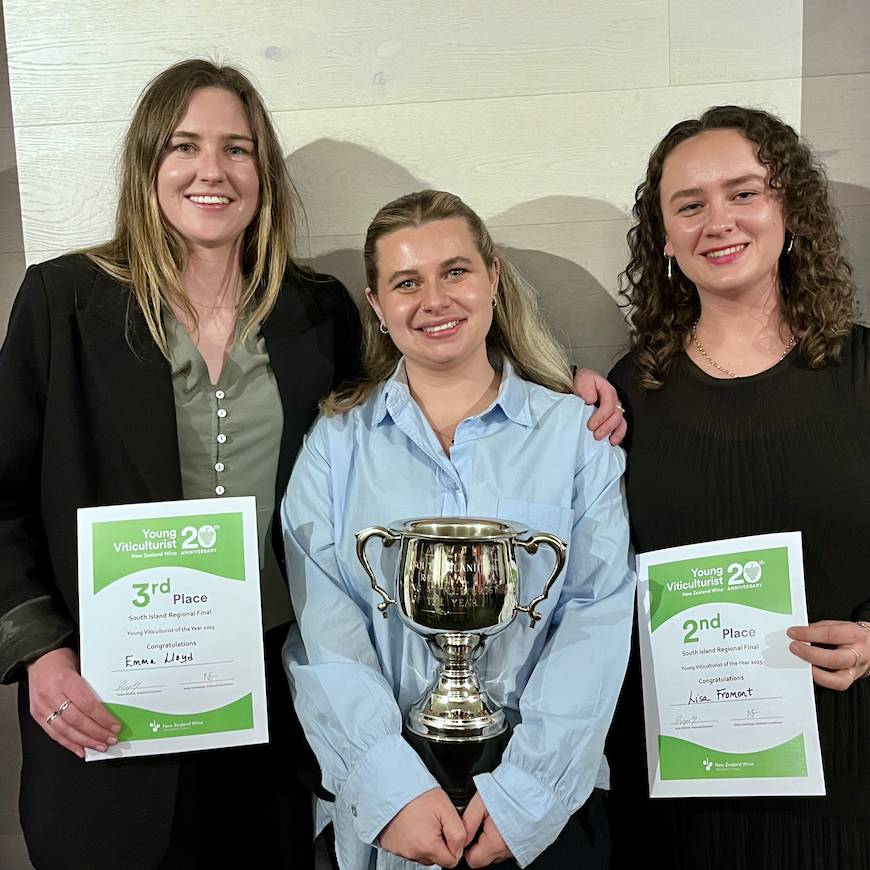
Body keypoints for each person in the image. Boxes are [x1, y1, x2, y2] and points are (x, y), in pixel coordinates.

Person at [0, 59, 363, 869]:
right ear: (148, 163)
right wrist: (39, 651)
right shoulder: (63, 302)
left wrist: (559, 387)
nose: (212, 171)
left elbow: (413, 409)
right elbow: (1, 497)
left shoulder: (317, 311)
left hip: (273, 704)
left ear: (263, 172)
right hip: (108, 701)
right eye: (185, 146)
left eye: (237, 149)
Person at [281, 189, 635, 870]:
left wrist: (528, 793)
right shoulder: (336, 444)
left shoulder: (575, 436)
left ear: (493, 278)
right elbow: (324, 628)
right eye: (406, 283)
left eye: (455, 271)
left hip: (543, 810)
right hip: (391, 813)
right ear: (377, 305)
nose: (435, 300)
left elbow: (596, 617)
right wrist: (388, 784)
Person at [607, 105, 870, 869]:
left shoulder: (864, 374)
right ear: (664, 237)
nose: (718, 221)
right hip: (683, 790)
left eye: (744, 193)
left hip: (849, 768)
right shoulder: (629, 393)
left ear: (791, 209)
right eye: (689, 205)